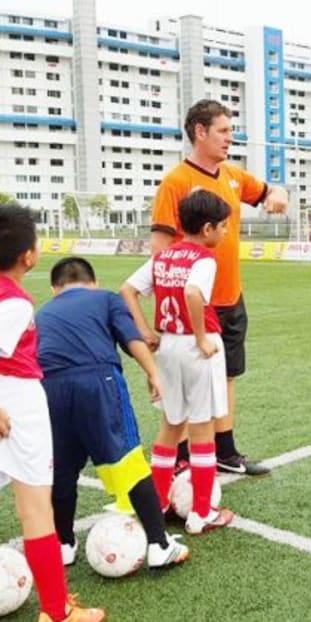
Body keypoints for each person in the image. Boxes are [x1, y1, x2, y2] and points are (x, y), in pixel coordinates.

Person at [150, 99, 286, 477]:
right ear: (200, 132)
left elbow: (274, 191)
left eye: (230, 131)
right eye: (223, 131)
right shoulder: (176, 182)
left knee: (226, 377)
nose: (230, 138)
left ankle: (225, 451)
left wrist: (278, 195)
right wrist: (168, 305)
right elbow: (161, 248)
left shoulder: (234, 176)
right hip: (191, 306)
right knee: (184, 380)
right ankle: (177, 456)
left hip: (230, 297)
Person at [36, 257, 189, 569]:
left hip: (49, 388)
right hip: (97, 383)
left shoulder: (44, 312)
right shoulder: (105, 298)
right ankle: (159, 545)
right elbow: (131, 338)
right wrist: (153, 373)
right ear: (92, 282)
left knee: (62, 468)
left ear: (55, 289)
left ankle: (63, 543)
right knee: (127, 461)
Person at [0, 205, 105, 622]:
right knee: (36, 509)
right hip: (18, 404)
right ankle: (57, 611)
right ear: (28, 256)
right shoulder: (15, 302)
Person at [123, 191, 235, 535]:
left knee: (171, 425)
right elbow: (192, 293)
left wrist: (145, 331)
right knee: (202, 429)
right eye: (224, 226)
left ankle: (157, 502)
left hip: (168, 345)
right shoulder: (204, 259)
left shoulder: (163, 257)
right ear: (206, 228)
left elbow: (127, 290)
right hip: (197, 348)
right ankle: (201, 513)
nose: (227, 232)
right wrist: (201, 337)